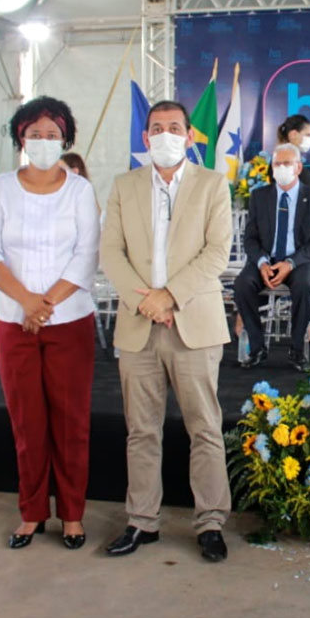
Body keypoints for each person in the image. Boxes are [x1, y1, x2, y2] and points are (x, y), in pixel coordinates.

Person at [100, 100, 234, 561]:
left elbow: (217, 253)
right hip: (139, 324)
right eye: (156, 128)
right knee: (141, 431)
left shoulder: (213, 184)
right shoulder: (124, 186)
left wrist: (170, 296)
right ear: (145, 138)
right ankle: (142, 520)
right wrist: (147, 302)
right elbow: (111, 253)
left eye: (174, 127)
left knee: (205, 429)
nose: (165, 135)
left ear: (190, 136)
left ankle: (211, 522)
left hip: (193, 322)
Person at [0, 96, 99, 550]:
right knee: (27, 421)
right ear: (20, 139)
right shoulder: (2, 188)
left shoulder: (79, 191)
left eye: (52, 135)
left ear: (65, 139)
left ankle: (72, 514)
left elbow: (87, 254)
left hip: (69, 320)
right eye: (34, 134)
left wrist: (46, 304)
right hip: (14, 320)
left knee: (70, 421)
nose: (43, 141)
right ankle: (31, 512)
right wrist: (27, 301)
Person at [233, 142, 310, 373]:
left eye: (287, 163)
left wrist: (290, 263)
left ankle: (297, 350)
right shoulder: (259, 197)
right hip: (266, 260)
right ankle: (257, 347)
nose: (282, 168)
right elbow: (250, 238)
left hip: (299, 262)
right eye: (277, 164)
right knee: (242, 285)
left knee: (305, 284)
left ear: (298, 167)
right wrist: (262, 263)